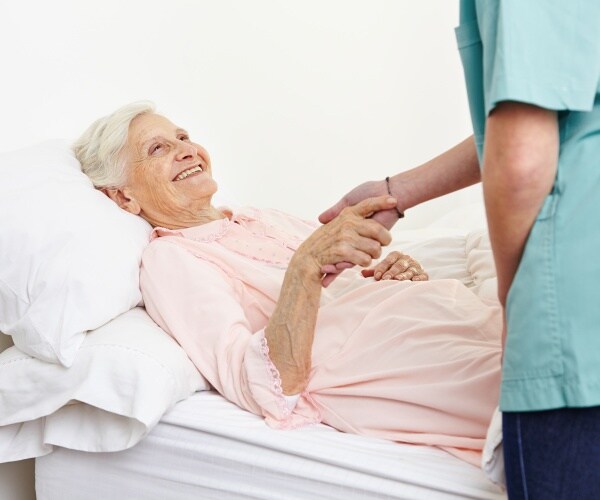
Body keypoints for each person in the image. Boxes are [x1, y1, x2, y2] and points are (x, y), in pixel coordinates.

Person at [73, 101, 502, 467]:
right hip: (386, 361)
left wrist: (395, 274)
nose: (186, 150)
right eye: (158, 148)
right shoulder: (171, 258)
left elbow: (344, 280)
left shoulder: (260, 216)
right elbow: (258, 382)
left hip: (443, 317)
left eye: (183, 136)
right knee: (539, 390)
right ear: (124, 197)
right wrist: (307, 264)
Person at [319, 2, 600, 497]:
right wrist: (397, 190)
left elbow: (520, 156)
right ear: (128, 198)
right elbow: (553, 106)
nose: (185, 150)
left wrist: (521, 305)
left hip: (577, 311)